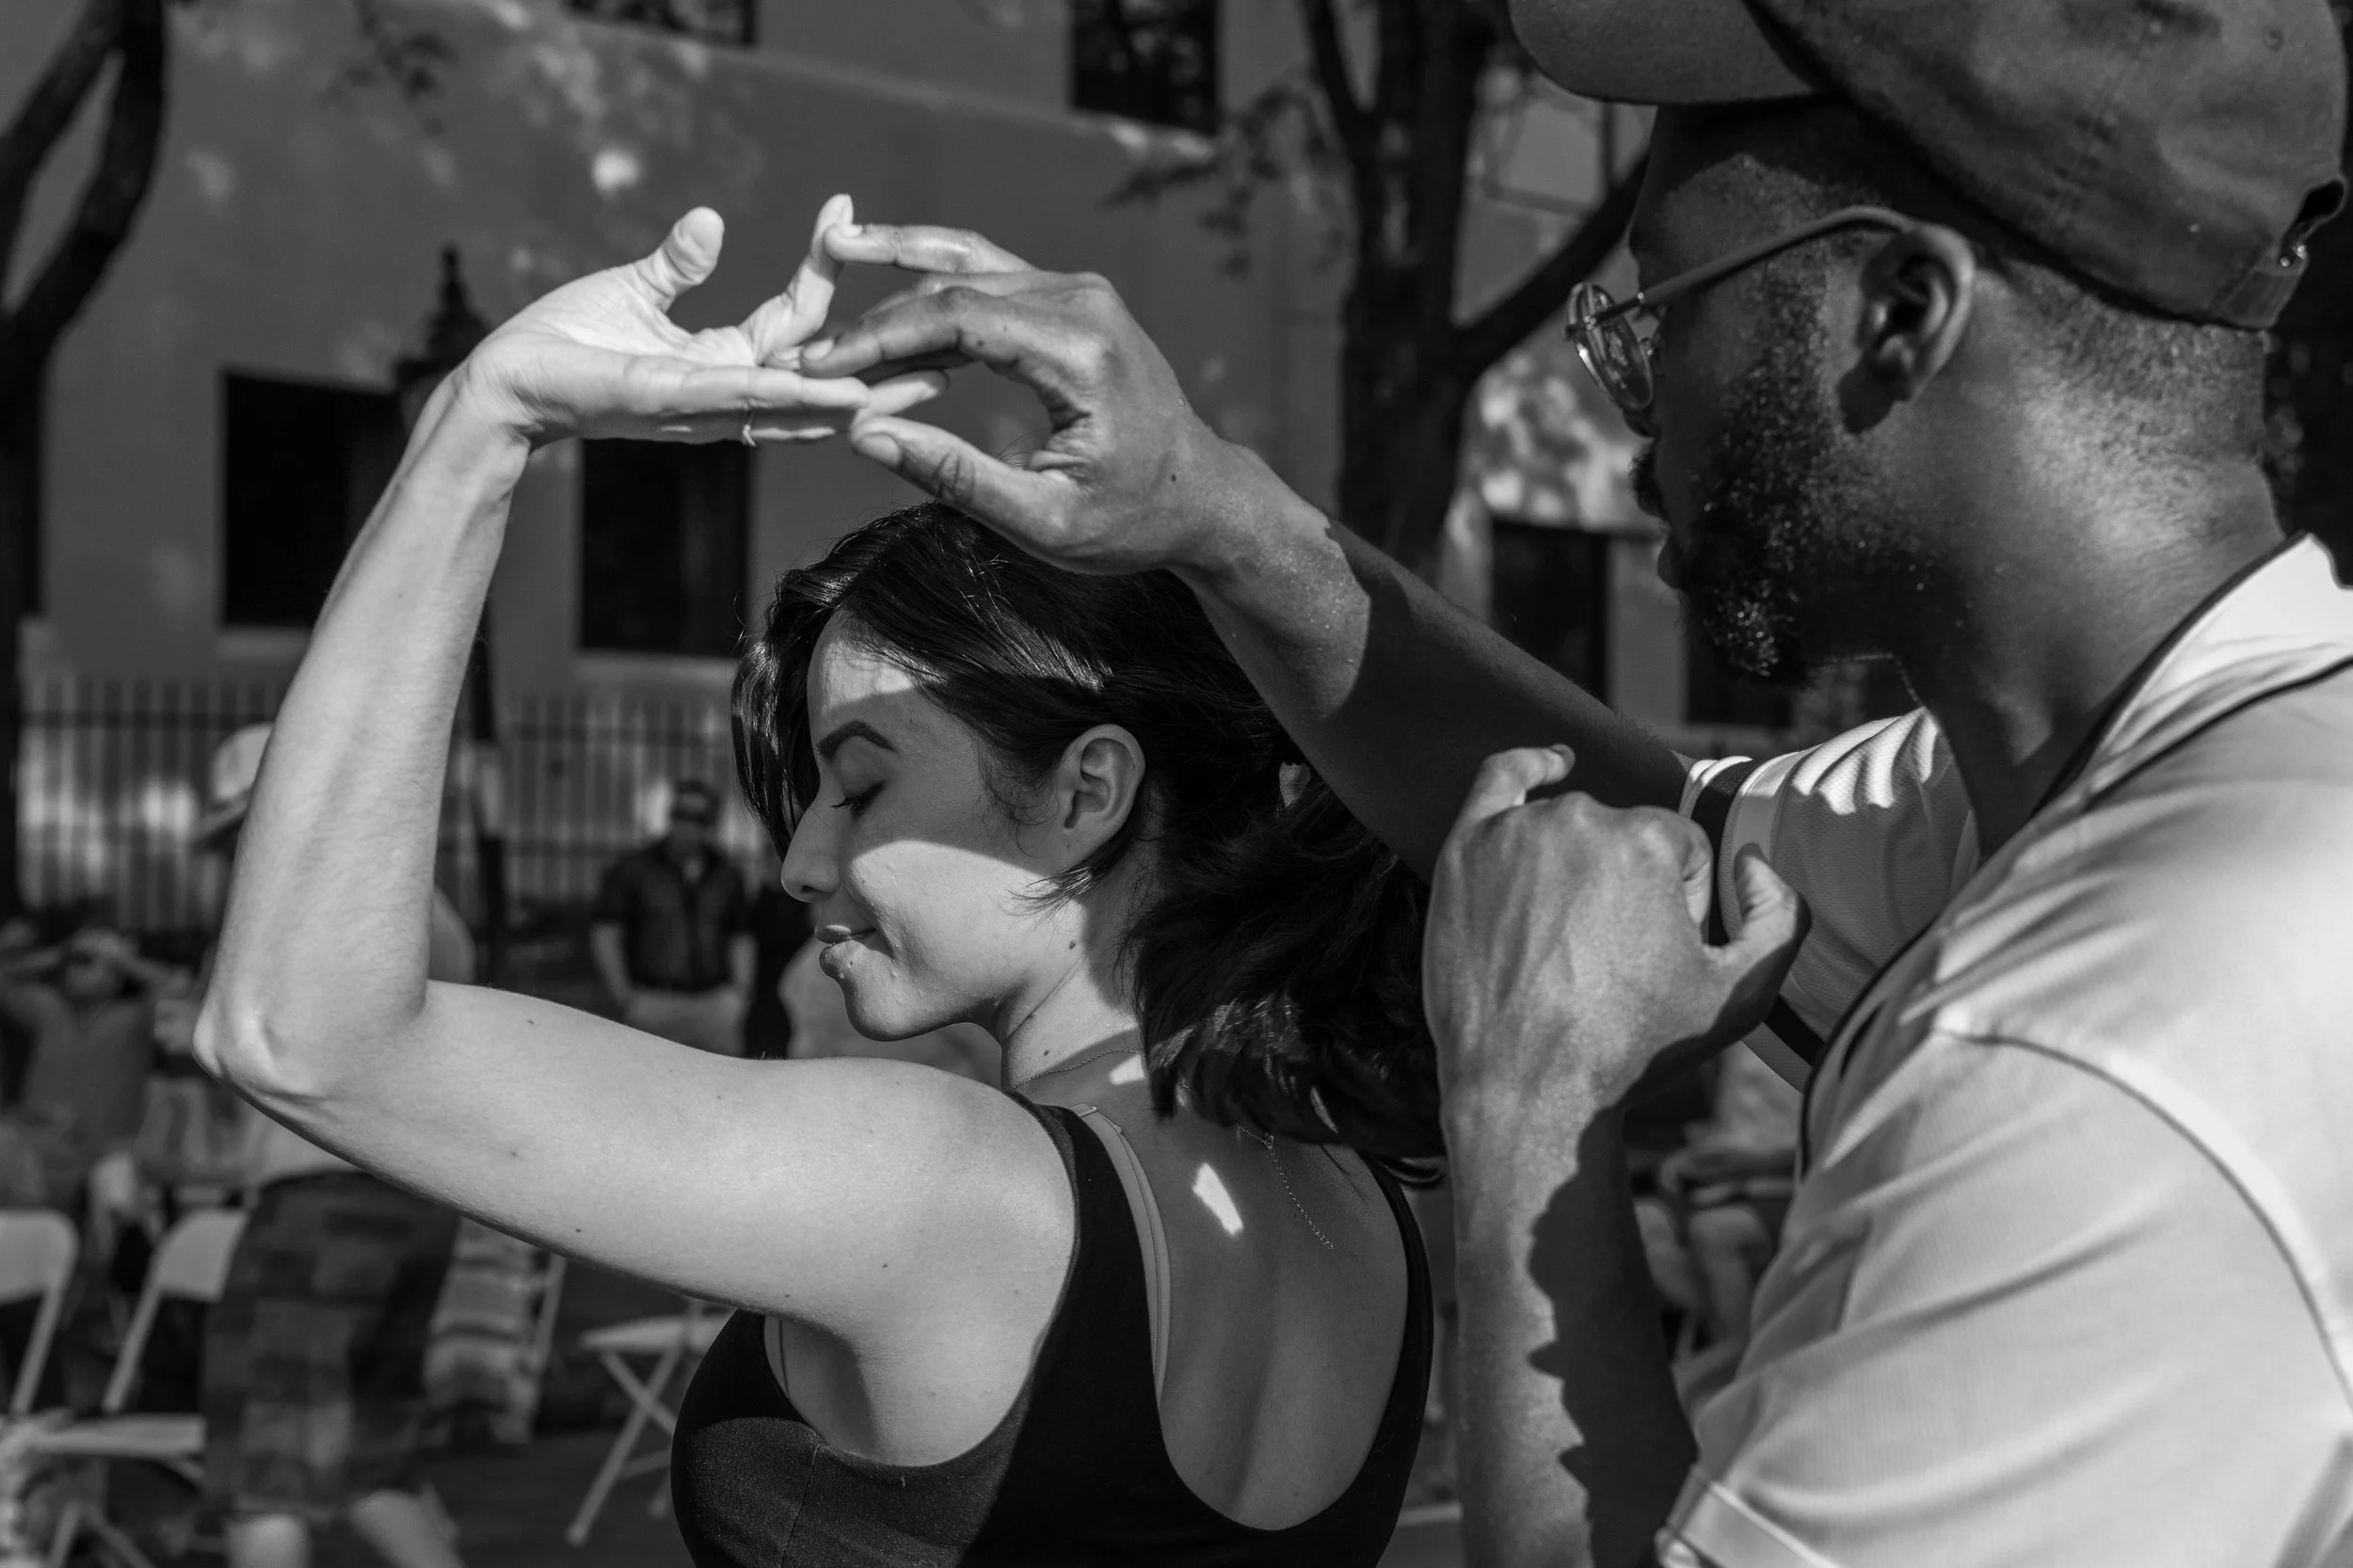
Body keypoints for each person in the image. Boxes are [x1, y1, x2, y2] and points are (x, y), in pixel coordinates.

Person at [791, 0, 2353, 1555]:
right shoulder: (2155, 792)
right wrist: (1211, 515)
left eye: (1658, 305)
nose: (1628, 405)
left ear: (1900, 315)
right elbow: (1659, 844)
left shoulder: (2098, 1038)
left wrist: (1533, 1107)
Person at [192, 199, 1432, 1564]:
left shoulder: (944, 1183)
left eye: (861, 781)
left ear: (1090, 792)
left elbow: (300, 1029)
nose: (799, 860)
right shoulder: (1364, 1202)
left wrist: (480, 427)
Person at [191, 724, 472, 1568]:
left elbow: (252, 1059)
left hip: (316, 1203)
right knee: (372, 1466)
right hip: (414, 1196)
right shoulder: (414, 895)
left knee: (264, 1474)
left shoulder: (284, 898)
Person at [588, 779, 754, 1056]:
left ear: (711, 823)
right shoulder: (635, 870)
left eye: (699, 818)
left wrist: (741, 993)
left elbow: (742, 935)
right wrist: (624, 996)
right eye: (680, 814)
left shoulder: (726, 874)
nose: (688, 825)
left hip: (714, 1005)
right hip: (653, 1001)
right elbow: (606, 932)